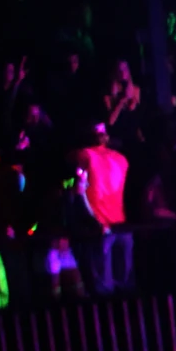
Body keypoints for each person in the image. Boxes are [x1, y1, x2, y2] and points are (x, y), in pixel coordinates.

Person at [65, 122, 133, 293]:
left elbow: (78, 190)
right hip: (114, 225)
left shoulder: (84, 155)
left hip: (103, 226)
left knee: (106, 285)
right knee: (121, 282)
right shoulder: (119, 158)